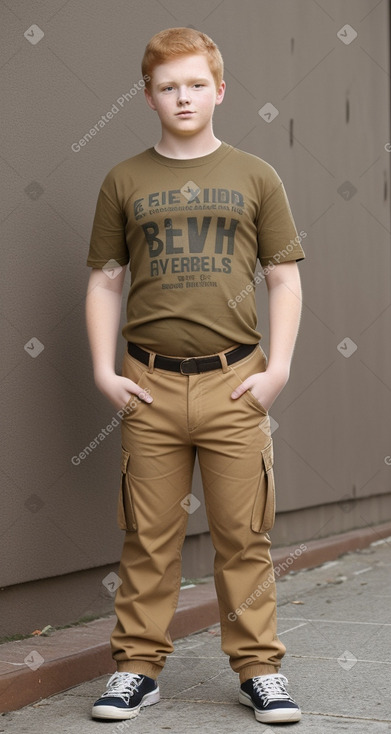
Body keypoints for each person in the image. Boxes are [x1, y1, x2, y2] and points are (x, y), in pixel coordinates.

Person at [85, 27, 305, 725]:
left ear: (219, 90)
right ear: (148, 96)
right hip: (147, 383)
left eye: (194, 84)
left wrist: (278, 371)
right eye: (167, 86)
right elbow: (103, 282)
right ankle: (136, 670)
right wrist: (102, 370)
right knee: (147, 538)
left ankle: (260, 670)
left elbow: (284, 279)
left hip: (234, 381)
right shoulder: (124, 179)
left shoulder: (254, 175)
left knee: (244, 535)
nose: (182, 97)